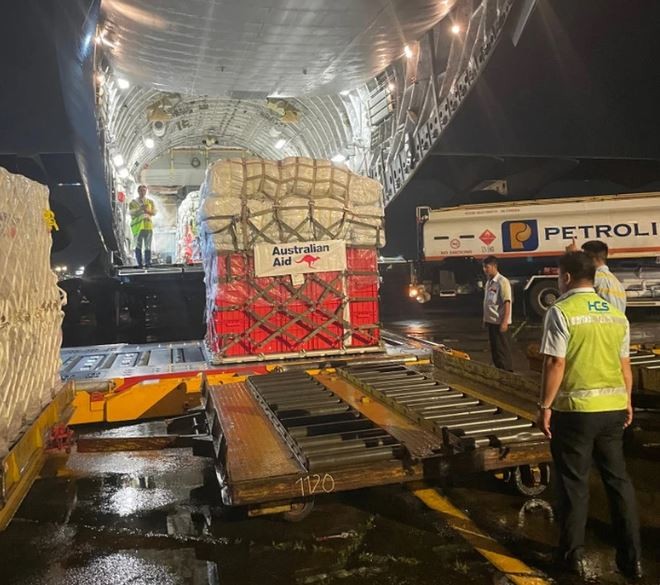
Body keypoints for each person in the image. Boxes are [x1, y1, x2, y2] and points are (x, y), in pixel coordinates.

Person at [537, 251, 642, 580]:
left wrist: (544, 406)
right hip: (613, 410)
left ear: (566, 277)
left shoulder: (561, 311)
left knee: (574, 485)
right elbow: (625, 367)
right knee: (619, 483)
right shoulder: (615, 315)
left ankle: (573, 556)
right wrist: (627, 401)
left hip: (577, 414)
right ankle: (632, 558)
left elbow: (556, 363)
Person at [482, 256, 513, 371]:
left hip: (499, 322)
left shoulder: (502, 281)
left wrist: (504, 322)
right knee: (495, 350)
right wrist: (485, 320)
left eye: (487, 267)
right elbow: (488, 302)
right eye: (484, 267)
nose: (485, 269)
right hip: (491, 322)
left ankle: (507, 372)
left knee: (502, 350)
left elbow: (507, 302)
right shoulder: (489, 282)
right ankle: (499, 371)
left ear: (494, 266)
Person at [129, 185, 156, 268]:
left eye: (144, 190)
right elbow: (131, 213)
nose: (143, 192)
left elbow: (154, 212)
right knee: (138, 245)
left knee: (148, 245)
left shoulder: (150, 202)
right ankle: (139, 263)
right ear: (138, 191)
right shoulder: (133, 202)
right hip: (138, 227)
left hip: (148, 226)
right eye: (141, 190)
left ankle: (148, 262)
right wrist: (140, 209)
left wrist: (147, 210)